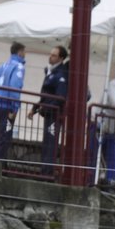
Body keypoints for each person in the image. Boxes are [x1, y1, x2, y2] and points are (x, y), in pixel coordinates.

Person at [31, 43, 69, 176]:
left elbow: (59, 97)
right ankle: (44, 171)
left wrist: (43, 106)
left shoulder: (61, 74)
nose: (50, 57)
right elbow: (45, 94)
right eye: (50, 54)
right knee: (47, 143)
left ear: (61, 58)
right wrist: (35, 108)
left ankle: (47, 172)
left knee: (50, 144)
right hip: (48, 112)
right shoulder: (51, 71)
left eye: (54, 55)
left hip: (54, 114)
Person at [0, 41, 25, 161]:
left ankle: (0, 166)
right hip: (7, 107)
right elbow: (15, 86)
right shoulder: (19, 66)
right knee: (4, 138)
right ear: (20, 52)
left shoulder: (2, 66)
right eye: (24, 52)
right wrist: (15, 108)